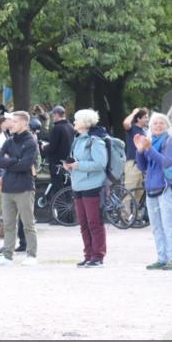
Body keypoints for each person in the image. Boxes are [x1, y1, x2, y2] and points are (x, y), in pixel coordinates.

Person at [0, 111, 39, 266]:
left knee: (28, 223)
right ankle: (7, 255)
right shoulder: (9, 141)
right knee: (9, 224)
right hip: (8, 187)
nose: (10, 124)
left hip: (24, 187)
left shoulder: (31, 142)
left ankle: (32, 255)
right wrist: (15, 161)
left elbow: (25, 165)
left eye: (14, 121)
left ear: (24, 123)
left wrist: (9, 161)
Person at [134, 113, 172, 270]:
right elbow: (142, 166)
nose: (158, 125)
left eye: (162, 123)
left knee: (168, 225)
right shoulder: (151, 141)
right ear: (150, 127)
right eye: (155, 123)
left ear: (167, 125)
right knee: (156, 226)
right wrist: (140, 151)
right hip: (151, 188)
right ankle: (162, 258)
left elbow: (166, 162)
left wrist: (149, 149)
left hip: (167, 187)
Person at [62, 109, 108, 267]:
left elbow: (100, 163)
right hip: (78, 185)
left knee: (94, 222)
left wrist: (78, 165)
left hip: (93, 185)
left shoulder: (95, 141)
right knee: (83, 223)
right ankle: (88, 254)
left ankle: (98, 256)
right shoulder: (77, 140)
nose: (73, 122)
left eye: (76, 119)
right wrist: (69, 166)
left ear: (85, 122)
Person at [42, 106, 75, 195]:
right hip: (68, 160)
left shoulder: (57, 128)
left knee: (57, 185)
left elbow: (53, 147)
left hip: (56, 162)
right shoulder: (70, 126)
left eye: (53, 115)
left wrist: (44, 147)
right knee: (67, 184)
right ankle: (67, 204)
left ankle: (57, 206)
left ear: (56, 115)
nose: (52, 117)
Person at [123, 108, 149, 194]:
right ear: (138, 119)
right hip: (132, 163)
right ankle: (125, 208)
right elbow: (126, 123)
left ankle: (135, 208)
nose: (147, 119)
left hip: (142, 164)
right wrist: (133, 113)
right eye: (145, 117)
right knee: (129, 194)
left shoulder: (145, 131)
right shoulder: (132, 128)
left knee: (139, 195)